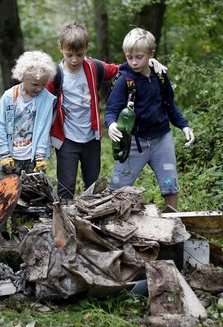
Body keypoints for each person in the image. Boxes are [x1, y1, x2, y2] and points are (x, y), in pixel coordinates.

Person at [104, 28, 195, 211]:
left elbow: (169, 105)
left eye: (139, 57)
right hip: (134, 142)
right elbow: (111, 109)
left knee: (169, 183)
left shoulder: (160, 75)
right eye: (129, 57)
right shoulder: (125, 80)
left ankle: (172, 220)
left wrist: (184, 126)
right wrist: (112, 124)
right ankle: (113, 224)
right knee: (117, 187)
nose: (134, 62)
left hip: (162, 139)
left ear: (151, 54)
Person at [45, 22, 120, 200]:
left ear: (87, 48)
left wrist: (148, 63)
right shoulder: (55, 75)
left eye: (80, 54)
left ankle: (91, 221)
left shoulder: (94, 67)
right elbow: (41, 105)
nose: (74, 60)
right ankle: (65, 223)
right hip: (66, 139)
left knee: (93, 185)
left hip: (91, 138)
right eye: (69, 54)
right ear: (60, 48)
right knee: (66, 185)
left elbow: (119, 70)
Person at [0, 51, 57, 180]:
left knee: (35, 193)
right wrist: (4, 155)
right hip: (11, 156)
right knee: (4, 191)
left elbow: (44, 130)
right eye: (35, 84)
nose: (39, 89)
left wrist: (41, 156)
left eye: (44, 84)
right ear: (22, 77)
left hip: (33, 158)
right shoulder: (9, 97)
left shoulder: (46, 100)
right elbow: (0, 126)